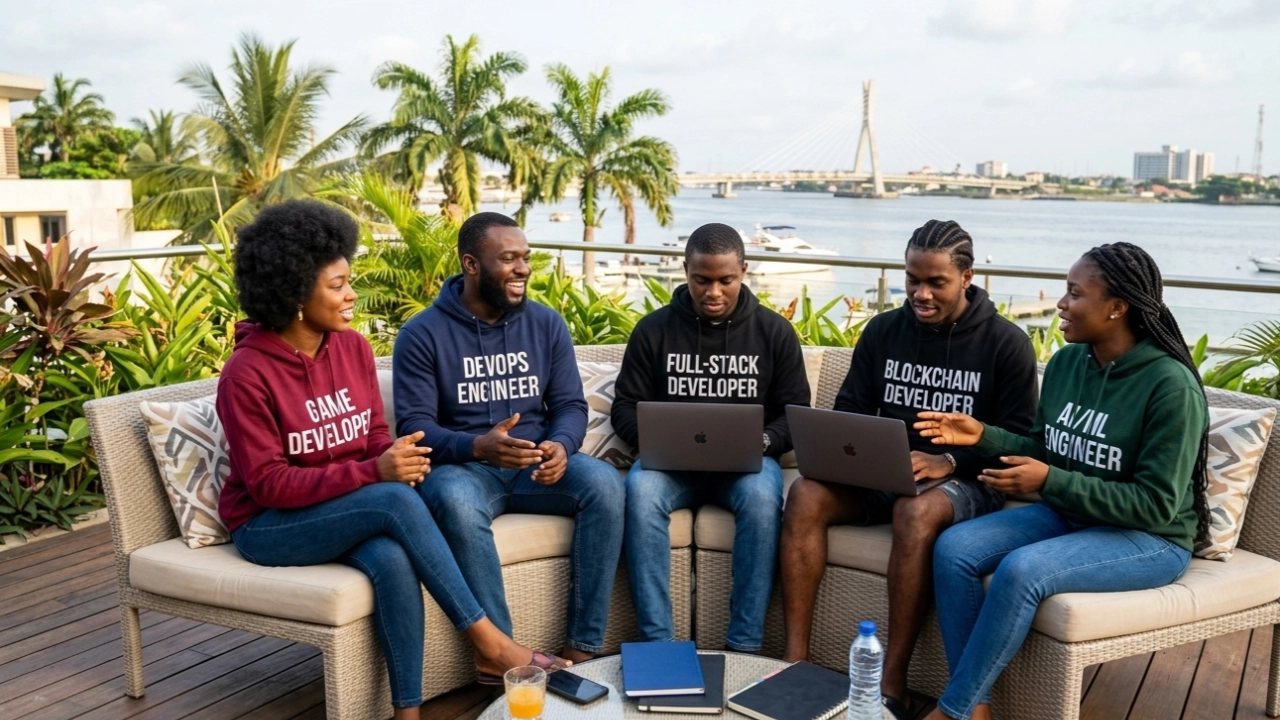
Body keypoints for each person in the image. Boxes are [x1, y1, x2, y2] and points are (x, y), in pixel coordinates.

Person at [217, 201, 564, 720]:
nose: (352, 294)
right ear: (293, 294)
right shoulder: (246, 374)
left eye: (349, 280)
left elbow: (375, 434)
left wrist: (393, 456)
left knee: (392, 558)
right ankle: (491, 642)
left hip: (340, 506)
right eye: (337, 286)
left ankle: (407, 712)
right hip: (268, 526)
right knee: (395, 502)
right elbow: (267, 485)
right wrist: (374, 473)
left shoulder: (352, 348)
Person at [915, 242, 1208, 720]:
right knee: (954, 548)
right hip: (1073, 516)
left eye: (1075, 294)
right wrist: (981, 435)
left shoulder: (1170, 386)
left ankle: (953, 711)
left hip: (1150, 538)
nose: (1061, 304)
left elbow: (1156, 505)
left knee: (1021, 570)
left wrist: (1051, 481)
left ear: (1117, 308)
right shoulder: (1070, 363)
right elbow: (1046, 450)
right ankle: (976, 706)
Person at [779, 220, 1038, 719]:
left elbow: (1017, 440)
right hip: (885, 473)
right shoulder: (884, 330)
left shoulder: (1007, 344)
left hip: (967, 482)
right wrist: (851, 448)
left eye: (935, 282)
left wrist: (949, 460)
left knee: (915, 512)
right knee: (807, 493)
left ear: (967, 276)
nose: (919, 293)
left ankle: (891, 683)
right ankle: (795, 661)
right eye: (911, 279)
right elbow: (851, 406)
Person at [394, 212, 624, 665]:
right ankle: (500, 656)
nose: (522, 269)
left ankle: (583, 646)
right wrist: (475, 446)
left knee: (605, 485)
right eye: (508, 259)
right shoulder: (422, 334)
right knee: (455, 501)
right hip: (464, 469)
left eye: (525, 258)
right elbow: (414, 427)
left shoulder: (545, 324)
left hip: (536, 465)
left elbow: (570, 407)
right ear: (471, 264)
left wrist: (562, 444)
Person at [611, 222, 811, 652]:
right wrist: (655, 440)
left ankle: (744, 645)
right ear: (685, 271)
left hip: (746, 467)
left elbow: (795, 416)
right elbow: (623, 407)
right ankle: (658, 645)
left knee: (761, 499)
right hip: (669, 467)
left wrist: (760, 443)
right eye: (702, 280)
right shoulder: (654, 330)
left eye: (726, 280)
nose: (713, 292)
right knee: (641, 489)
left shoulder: (774, 332)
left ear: (744, 270)